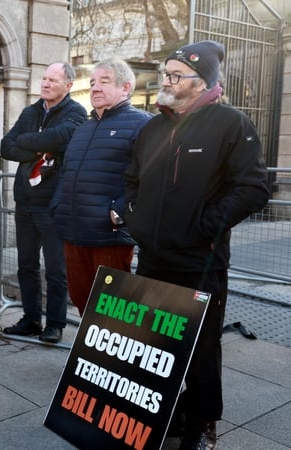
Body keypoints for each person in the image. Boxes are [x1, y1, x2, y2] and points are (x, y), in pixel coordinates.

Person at [125, 40, 269, 450]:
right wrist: (134, 218)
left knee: (202, 351)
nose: (166, 81)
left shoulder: (231, 124)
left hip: (200, 263)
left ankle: (202, 423)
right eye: (165, 74)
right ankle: (164, 412)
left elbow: (254, 187)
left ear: (201, 81)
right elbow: (131, 179)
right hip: (152, 259)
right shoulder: (151, 128)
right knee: (155, 345)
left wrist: (205, 227)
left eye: (175, 75)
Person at [52, 57, 152, 316]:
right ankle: (91, 355)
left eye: (104, 82)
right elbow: (67, 171)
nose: (95, 88)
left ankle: (114, 357)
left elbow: (147, 177)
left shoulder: (142, 124)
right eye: (93, 82)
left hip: (109, 236)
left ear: (126, 88)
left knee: (113, 308)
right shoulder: (84, 128)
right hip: (74, 233)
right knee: (82, 300)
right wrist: (58, 206)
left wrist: (118, 211)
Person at [0, 62, 87, 343]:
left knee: (56, 270)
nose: (45, 84)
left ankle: (55, 324)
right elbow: (6, 146)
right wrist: (40, 147)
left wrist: (29, 142)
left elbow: (63, 138)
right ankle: (31, 319)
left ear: (68, 85)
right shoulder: (31, 111)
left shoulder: (75, 113)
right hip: (25, 202)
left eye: (52, 79)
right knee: (26, 265)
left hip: (53, 205)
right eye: (44, 78)